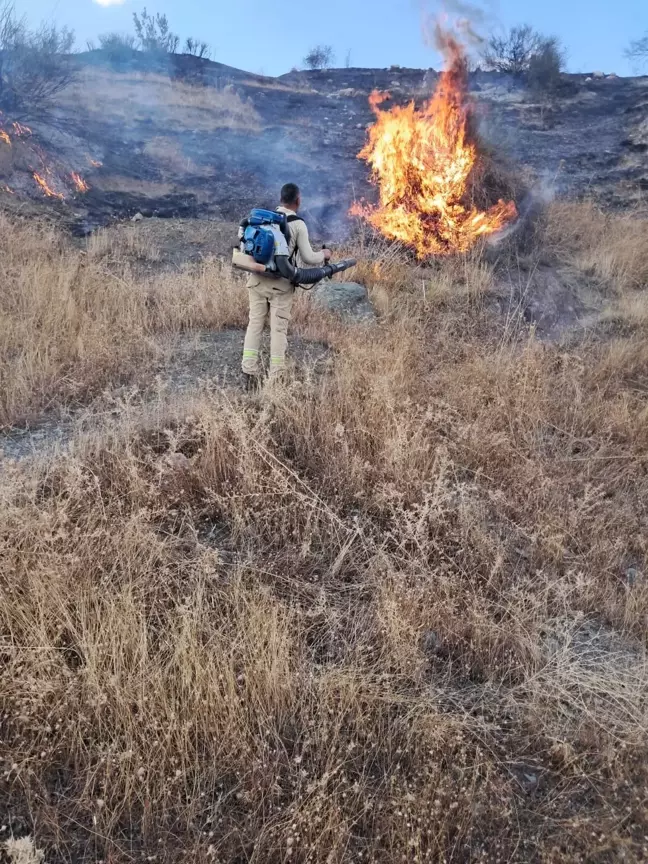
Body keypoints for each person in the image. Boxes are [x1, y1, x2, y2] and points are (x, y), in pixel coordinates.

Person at [241, 183, 332, 387]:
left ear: (281, 198)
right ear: (297, 200)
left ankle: (248, 371)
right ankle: (276, 376)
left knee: (254, 324)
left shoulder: (263, 218)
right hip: (280, 286)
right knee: (278, 330)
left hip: (256, 280)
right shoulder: (298, 224)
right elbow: (308, 257)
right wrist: (324, 255)